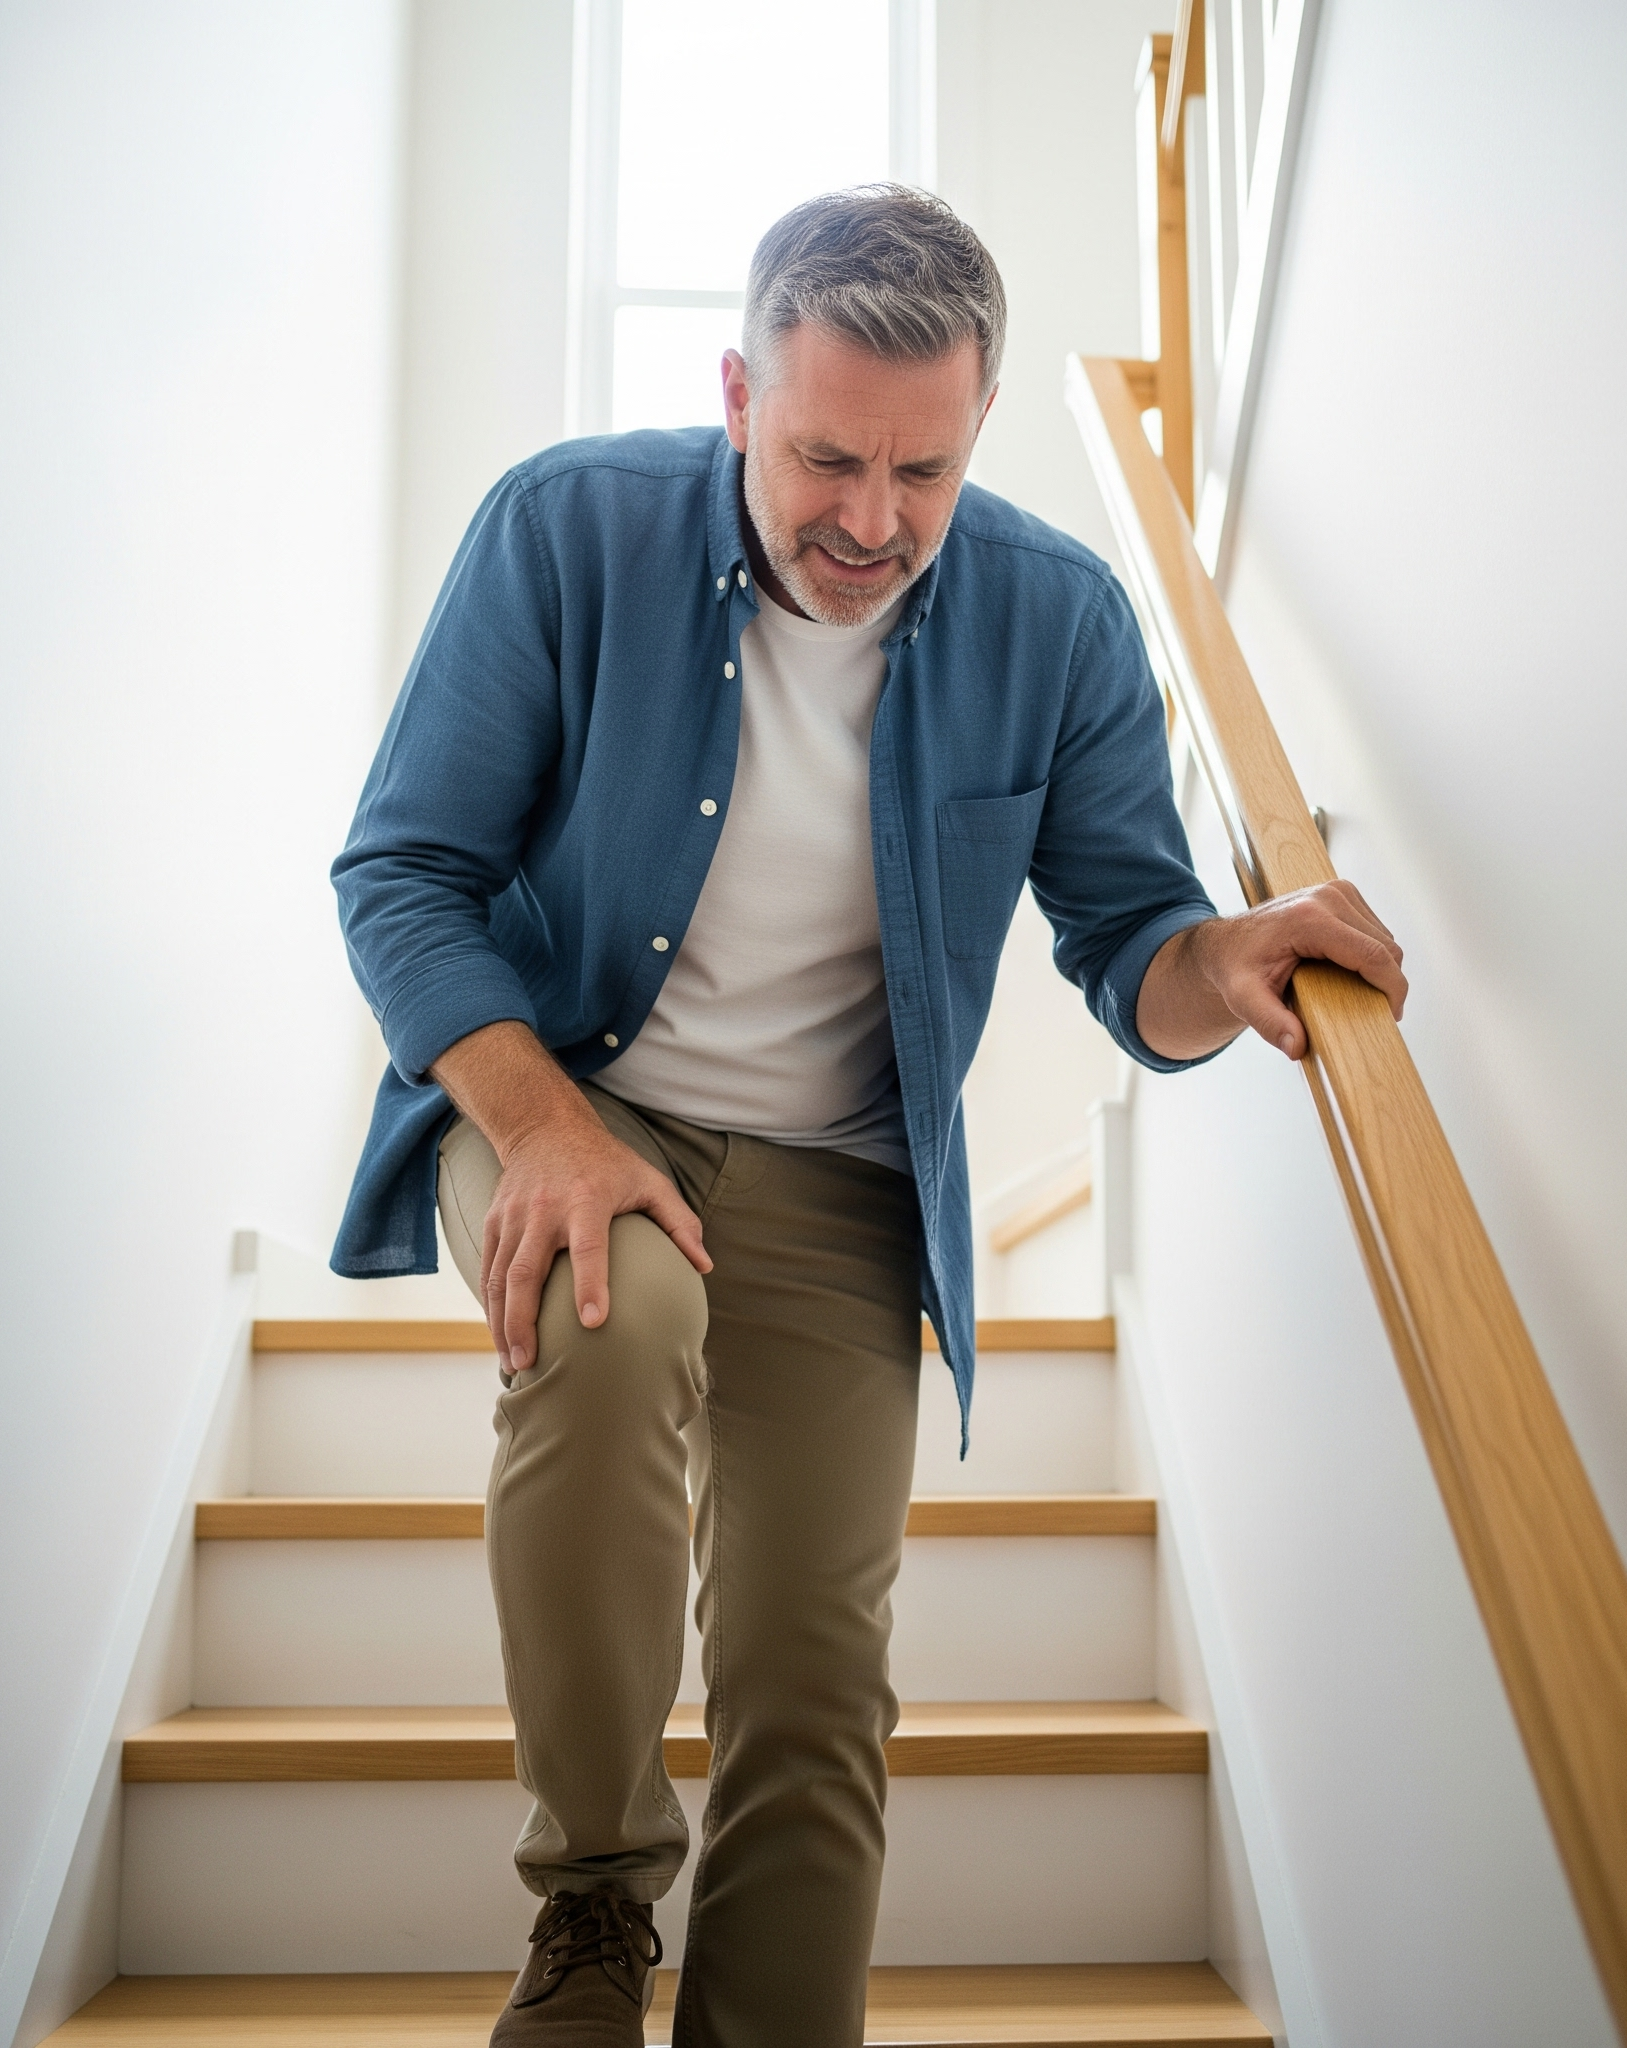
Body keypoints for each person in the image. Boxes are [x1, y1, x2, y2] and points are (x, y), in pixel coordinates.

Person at [330, 184, 1405, 2048]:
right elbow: (404, 871)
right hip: (575, 1094)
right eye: (827, 457)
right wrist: (549, 1132)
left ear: (978, 423)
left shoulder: (1061, 623)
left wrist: (1219, 962)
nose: (871, 522)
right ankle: (591, 1913)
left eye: (923, 473)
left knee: (816, 1669)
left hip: (842, 1177)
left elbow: (1132, 942)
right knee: (610, 1319)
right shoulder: (566, 528)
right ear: (740, 390)